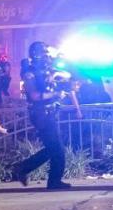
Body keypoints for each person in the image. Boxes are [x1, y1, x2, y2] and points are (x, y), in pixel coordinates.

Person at [11, 41, 83, 190]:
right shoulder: (29, 74)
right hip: (40, 114)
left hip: (49, 113)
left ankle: (26, 170)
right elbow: (35, 95)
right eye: (44, 53)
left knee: (54, 148)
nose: (47, 56)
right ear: (37, 55)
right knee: (57, 149)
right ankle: (30, 171)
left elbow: (68, 80)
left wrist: (57, 76)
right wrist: (55, 93)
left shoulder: (47, 71)